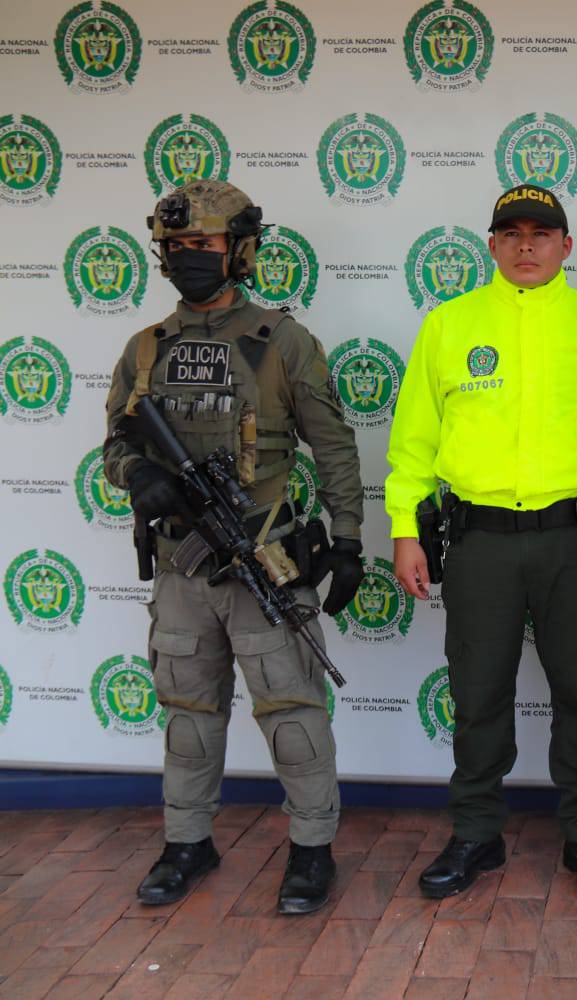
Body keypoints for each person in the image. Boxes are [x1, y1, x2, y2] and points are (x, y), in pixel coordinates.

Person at [104, 179, 365, 915]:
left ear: (239, 250)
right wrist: (138, 476)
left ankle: (311, 848)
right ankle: (187, 841)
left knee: (292, 710)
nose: (190, 256)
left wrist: (347, 540)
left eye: (205, 243)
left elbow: (334, 448)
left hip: (263, 558)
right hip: (181, 569)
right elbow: (115, 445)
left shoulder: (280, 342)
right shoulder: (145, 350)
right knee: (188, 712)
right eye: (178, 245)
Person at [386, 184, 577, 901]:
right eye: (513, 233)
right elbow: (414, 441)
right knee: (478, 690)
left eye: (542, 233)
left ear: (566, 246)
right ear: (491, 245)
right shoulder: (450, 324)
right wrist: (404, 528)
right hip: (480, 541)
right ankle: (476, 832)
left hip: (573, 539)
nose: (527, 246)